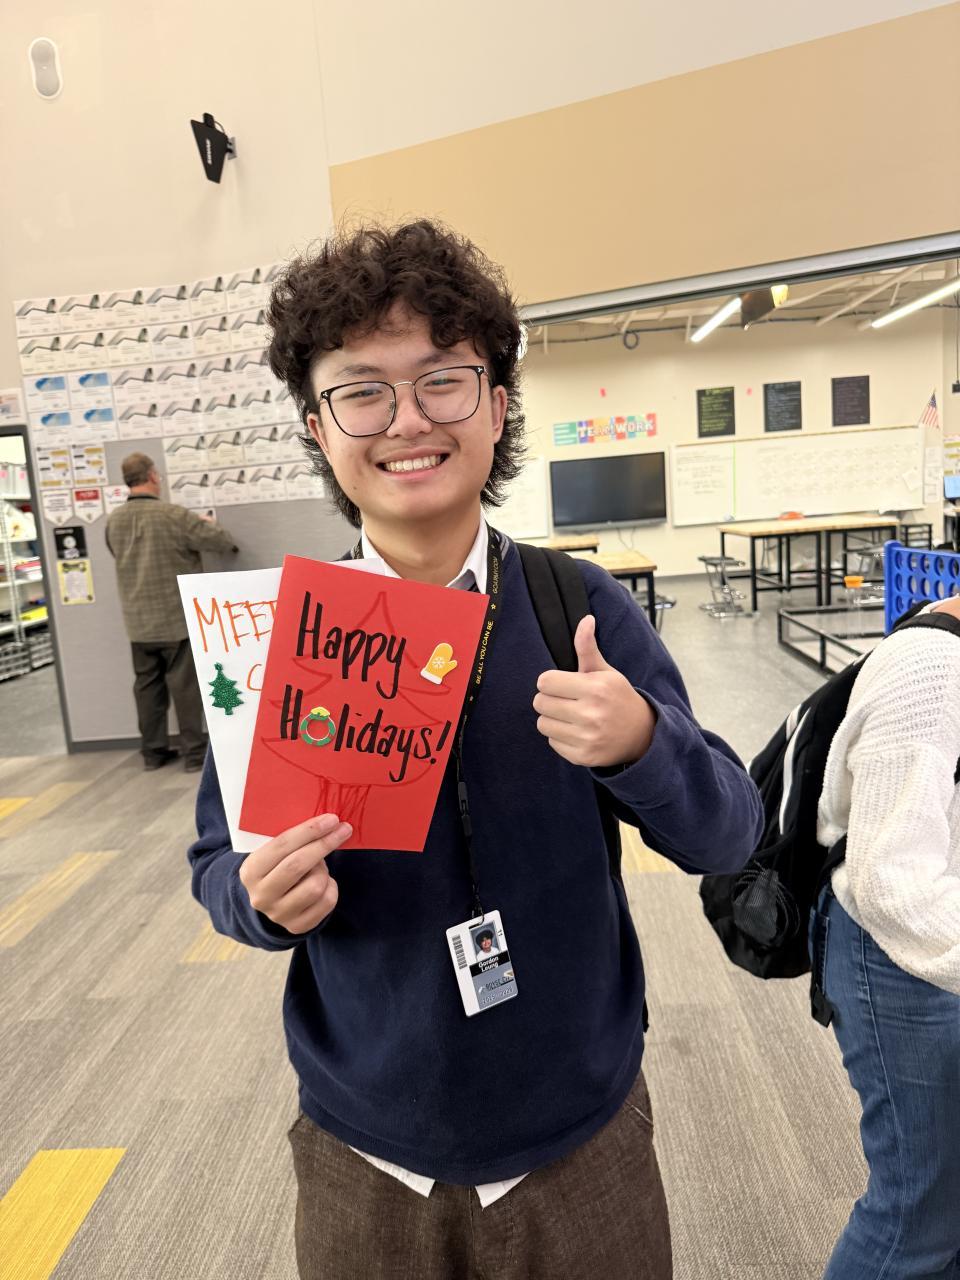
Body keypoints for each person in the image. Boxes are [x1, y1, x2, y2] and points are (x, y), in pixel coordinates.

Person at [188, 221, 763, 1279]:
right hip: (366, 1149)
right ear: (318, 427)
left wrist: (641, 743)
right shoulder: (282, 642)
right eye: (362, 392)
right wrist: (256, 899)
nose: (407, 420)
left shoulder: (576, 607)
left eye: (443, 380)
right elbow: (217, 865)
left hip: (580, 1137)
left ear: (496, 407)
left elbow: (729, 831)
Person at [813, 594, 960, 1278]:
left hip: (939, 943)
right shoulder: (930, 670)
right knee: (917, 1215)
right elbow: (889, 881)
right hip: (898, 959)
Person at [106, 452, 237, 772]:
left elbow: (114, 551)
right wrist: (209, 525)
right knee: (185, 688)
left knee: (147, 688)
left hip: (138, 623)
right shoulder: (173, 515)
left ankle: (153, 753)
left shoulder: (114, 521)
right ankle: (195, 755)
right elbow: (222, 542)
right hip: (175, 620)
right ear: (153, 476)